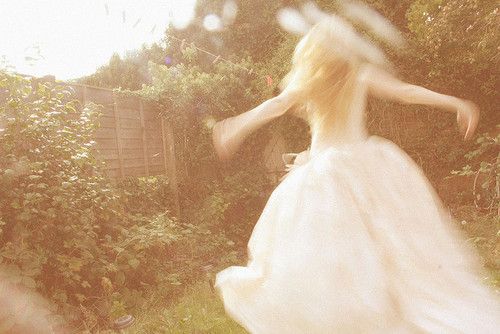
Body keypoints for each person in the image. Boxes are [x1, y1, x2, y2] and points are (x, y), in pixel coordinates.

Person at [212, 13, 500, 334]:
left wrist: (236, 127)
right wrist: (455, 103)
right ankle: (377, 305)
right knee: (385, 240)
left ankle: (351, 311)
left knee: (332, 249)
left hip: (324, 173)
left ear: (312, 52)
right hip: (364, 164)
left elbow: (276, 105)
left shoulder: (308, 82)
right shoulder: (359, 75)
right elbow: (406, 92)